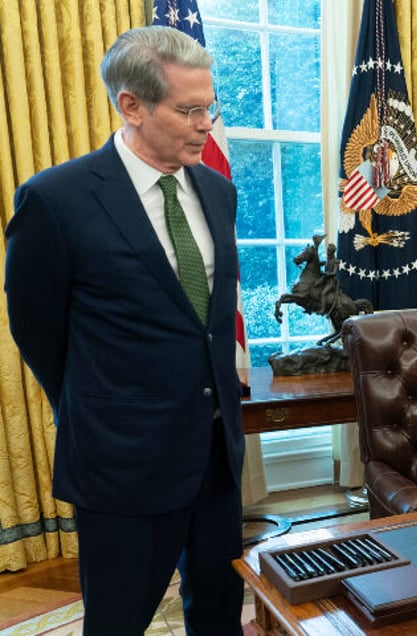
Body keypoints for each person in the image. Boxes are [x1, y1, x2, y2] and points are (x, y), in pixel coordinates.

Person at [5, 27, 245, 635]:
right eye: (189, 110)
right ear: (131, 106)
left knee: (217, 607)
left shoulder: (217, 192)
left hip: (216, 452)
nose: (205, 125)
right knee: (118, 620)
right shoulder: (55, 200)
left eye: (209, 107)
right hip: (123, 458)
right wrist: (100, 408)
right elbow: (37, 330)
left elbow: (209, 323)